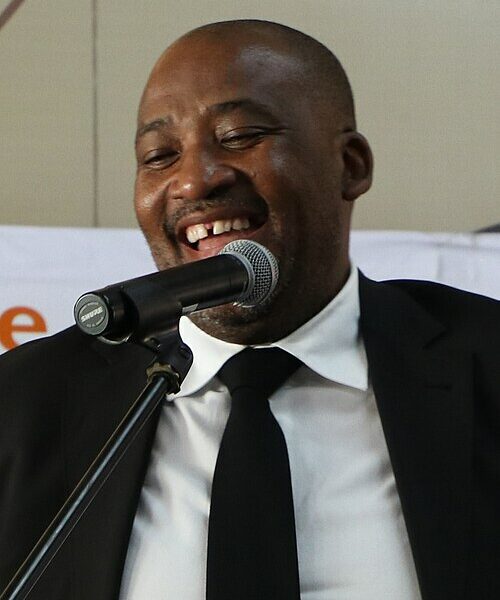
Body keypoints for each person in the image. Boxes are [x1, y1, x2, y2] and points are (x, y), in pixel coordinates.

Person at [0, 19, 499, 600]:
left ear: (351, 166)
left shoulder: (485, 364)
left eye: (239, 136)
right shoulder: (26, 405)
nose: (193, 181)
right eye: (159, 155)